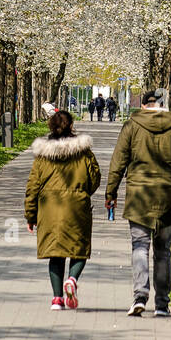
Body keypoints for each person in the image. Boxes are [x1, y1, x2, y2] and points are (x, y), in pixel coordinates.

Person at [105, 88, 171, 317]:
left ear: (144, 105)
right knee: (163, 251)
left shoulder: (131, 126)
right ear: (163, 105)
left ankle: (140, 296)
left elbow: (118, 162)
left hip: (139, 198)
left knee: (140, 246)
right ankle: (163, 304)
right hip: (167, 196)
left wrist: (111, 194)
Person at [25, 108, 101, 310]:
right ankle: (73, 280)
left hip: (49, 208)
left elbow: (32, 186)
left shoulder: (43, 156)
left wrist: (30, 215)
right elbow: (95, 178)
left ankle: (57, 299)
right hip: (77, 207)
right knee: (79, 250)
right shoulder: (84, 152)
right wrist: (82, 192)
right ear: (71, 126)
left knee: (55, 253)